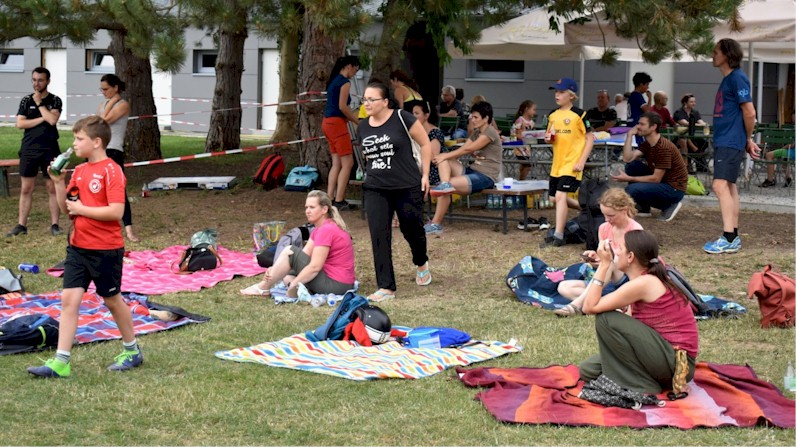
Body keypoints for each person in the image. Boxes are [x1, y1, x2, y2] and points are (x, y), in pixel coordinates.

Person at [27, 116, 142, 378]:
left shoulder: (112, 170)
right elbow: (69, 207)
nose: (74, 144)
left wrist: (82, 209)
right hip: (78, 247)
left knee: (112, 300)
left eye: (79, 139)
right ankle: (61, 361)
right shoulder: (79, 171)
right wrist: (57, 182)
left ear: (97, 142)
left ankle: (132, 350)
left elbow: (116, 211)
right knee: (69, 299)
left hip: (106, 249)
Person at [579, 230, 699, 394]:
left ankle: (642, 386)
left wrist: (604, 265)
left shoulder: (645, 282)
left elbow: (589, 307)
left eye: (619, 248)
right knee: (588, 369)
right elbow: (631, 321)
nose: (616, 252)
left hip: (678, 364)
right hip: (660, 355)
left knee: (605, 318)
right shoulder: (645, 275)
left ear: (630, 257)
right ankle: (640, 378)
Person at [357, 81, 432, 302]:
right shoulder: (363, 126)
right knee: (379, 233)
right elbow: (369, 155)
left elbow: (425, 144)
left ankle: (421, 261)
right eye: (365, 99)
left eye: (372, 99)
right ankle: (386, 287)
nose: (367, 103)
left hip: (407, 184)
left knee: (412, 228)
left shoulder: (402, 118)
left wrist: (425, 175)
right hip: (376, 188)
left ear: (385, 101)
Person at [703, 38, 761, 254]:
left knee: (719, 186)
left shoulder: (737, 78)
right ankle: (732, 236)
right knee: (729, 187)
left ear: (727, 54)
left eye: (716, 51)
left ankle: (728, 238)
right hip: (727, 139)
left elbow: (750, 112)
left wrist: (747, 139)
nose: (712, 55)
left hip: (730, 140)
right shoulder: (729, 79)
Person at [240, 190, 355, 297]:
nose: (307, 211)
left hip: (336, 285)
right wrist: (275, 269)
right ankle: (302, 289)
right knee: (285, 275)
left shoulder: (326, 230)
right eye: (306, 207)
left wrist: (294, 283)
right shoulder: (321, 229)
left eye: (312, 207)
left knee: (290, 251)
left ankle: (263, 288)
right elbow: (300, 259)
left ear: (324, 209)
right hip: (338, 282)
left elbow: (315, 266)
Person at [554, 188, 643, 317]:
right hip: (606, 280)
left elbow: (636, 267)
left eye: (611, 216)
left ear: (624, 210)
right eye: (604, 215)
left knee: (612, 261)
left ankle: (577, 305)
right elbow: (603, 259)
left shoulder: (635, 231)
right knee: (563, 287)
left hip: (627, 280)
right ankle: (611, 304)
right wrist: (596, 257)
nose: (607, 219)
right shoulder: (604, 228)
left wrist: (607, 261)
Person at [428, 101, 503, 235]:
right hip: (472, 170)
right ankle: (445, 184)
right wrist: (444, 156)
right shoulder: (476, 133)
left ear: (486, 118)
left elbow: (468, 149)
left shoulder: (490, 132)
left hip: (486, 176)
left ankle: (435, 223)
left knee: (445, 161)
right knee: (444, 160)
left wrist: (445, 155)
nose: (472, 120)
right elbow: (464, 148)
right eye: (471, 117)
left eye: (476, 117)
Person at [7, 67, 63, 237]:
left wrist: (39, 104)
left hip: (50, 148)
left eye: (40, 80)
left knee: (51, 187)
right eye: (34, 80)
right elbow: (20, 123)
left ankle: (55, 224)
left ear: (48, 81)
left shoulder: (55, 100)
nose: (36, 83)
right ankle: (21, 225)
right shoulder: (25, 101)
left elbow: (52, 120)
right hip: (29, 148)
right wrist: (41, 118)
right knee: (26, 188)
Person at [540, 77, 593, 248]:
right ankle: (587, 209)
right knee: (554, 198)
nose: (557, 95)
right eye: (556, 91)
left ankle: (559, 235)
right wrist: (548, 139)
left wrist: (582, 161)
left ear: (571, 95)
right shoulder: (552, 115)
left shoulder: (579, 114)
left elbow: (590, 137)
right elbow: (550, 137)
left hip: (572, 163)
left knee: (561, 196)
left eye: (561, 92)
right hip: (557, 164)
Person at [611, 113, 687, 222]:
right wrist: (629, 136)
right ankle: (644, 207)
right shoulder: (648, 144)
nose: (638, 127)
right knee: (632, 166)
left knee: (631, 190)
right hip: (663, 182)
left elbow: (656, 178)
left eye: (642, 124)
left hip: (674, 188)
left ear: (653, 127)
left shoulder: (663, 147)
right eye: (638, 124)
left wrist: (629, 179)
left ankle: (669, 205)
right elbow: (627, 158)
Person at [97, 73, 139, 242]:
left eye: (106, 89)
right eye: (101, 89)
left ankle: (128, 229)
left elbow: (104, 121)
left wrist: (114, 101)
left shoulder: (122, 104)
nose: (104, 92)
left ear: (115, 88)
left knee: (118, 189)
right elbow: (97, 123)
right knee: (96, 188)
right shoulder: (103, 103)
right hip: (99, 150)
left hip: (113, 150)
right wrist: (109, 102)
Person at [322, 55, 360, 211]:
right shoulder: (345, 82)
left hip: (327, 123)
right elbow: (343, 107)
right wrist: (357, 121)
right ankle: (339, 200)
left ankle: (329, 198)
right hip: (337, 124)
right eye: (355, 70)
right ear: (349, 66)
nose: (354, 74)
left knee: (336, 163)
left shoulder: (334, 80)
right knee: (348, 163)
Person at [673, 93, 709, 171]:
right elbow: (685, 123)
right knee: (687, 142)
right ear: (685, 103)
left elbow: (701, 122)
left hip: (692, 136)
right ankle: (692, 165)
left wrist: (704, 124)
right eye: (691, 102)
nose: (694, 104)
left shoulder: (695, 112)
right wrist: (697, 124)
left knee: (704, 142)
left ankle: (700, 165)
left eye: (694, 102)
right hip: (681, 137)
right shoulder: (679, 112)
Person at [512, 99, 537, 181]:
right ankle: (521, 181)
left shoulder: (532, 123)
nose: (535, 112)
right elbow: (514, 132)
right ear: (527, 109)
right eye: (533, 109)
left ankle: (521, 180)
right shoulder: (520, 120)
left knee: (525, 166)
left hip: (527, 148)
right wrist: (521, 135)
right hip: (520, 148)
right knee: (527, 165)